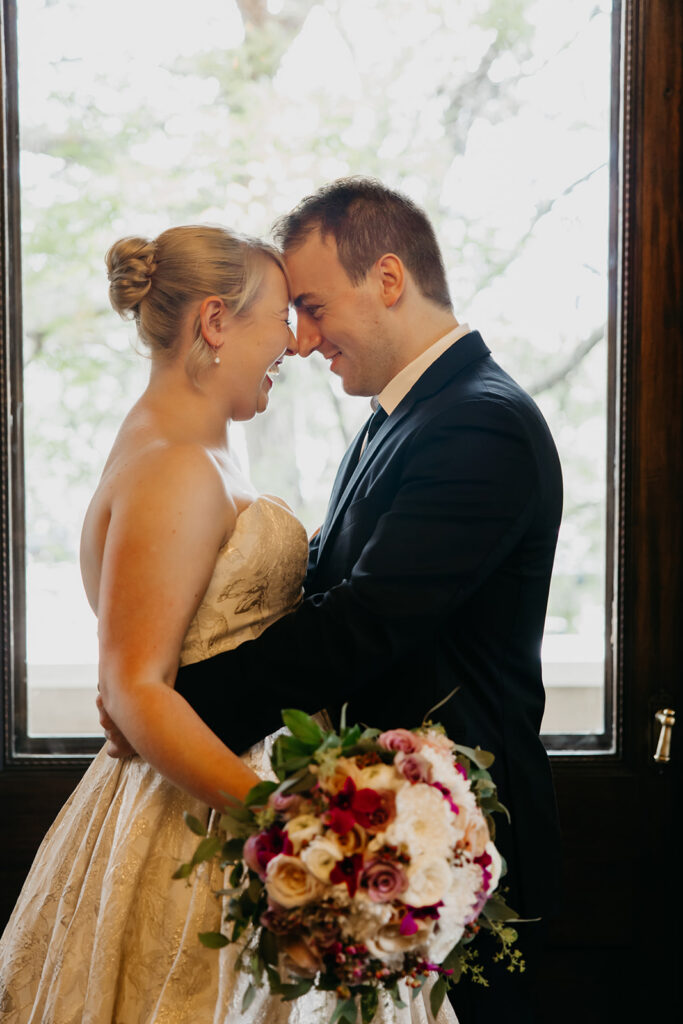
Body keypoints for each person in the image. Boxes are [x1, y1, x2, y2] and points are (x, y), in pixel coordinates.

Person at [115, 178, 563, 1024]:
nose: (302, 338)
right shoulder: (400, 412)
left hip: (448, 846)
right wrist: (147, 686)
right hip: (371, 831)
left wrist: (172, 701)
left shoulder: (479, 423)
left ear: (387, 280)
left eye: (314, 306)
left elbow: (360, 625)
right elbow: (321, 584)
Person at [1, 222, 456, 1024]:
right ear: (215, 322)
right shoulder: (176, 464)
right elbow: (136, 687)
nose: (297, 339)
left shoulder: (199, 447)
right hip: (201, 815)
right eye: (282, 315)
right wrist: (287, 824)